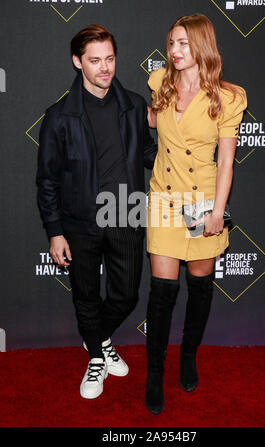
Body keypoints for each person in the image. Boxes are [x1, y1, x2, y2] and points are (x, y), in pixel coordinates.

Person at [36, 25, 157, 399]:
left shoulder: (135, 105)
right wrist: (55, 231)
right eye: (95, 61)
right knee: (85, 296)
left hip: (127, 212)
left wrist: (189, 147)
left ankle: (97, 341)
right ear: (77, 62)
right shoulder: (59, 116)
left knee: (126, 295)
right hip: (80, 221)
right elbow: (47, 179)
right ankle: (98, 358)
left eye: (109, 59)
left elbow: (152, 155)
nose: (105, 68)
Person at [145, 14, 247, 414]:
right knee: (161, 294)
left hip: (204, 202)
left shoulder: (229, 97)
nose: (174, 51)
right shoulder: (159, 83)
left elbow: (226, 163)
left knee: (199, 287)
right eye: (171, 43)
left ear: (203, 45)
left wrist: (218, 212)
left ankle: (188, 357)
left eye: (183, 43)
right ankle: (155, 373)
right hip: (164, 200)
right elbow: (153, 123)